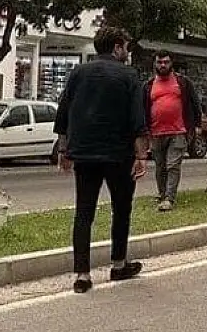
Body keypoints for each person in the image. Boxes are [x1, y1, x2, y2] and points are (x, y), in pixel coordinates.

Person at [54, 26, 150, 294]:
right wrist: (141, 155)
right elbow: (137, 119)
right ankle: (119, 264)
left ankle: (82, 274)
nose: (127, 52)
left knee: (83, 212)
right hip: (119, 154)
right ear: (118, 47)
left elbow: (64, 110)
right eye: (126, 47)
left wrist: (64, 150)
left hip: (84, 152)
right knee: (121, 208)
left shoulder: (78, 73)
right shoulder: (129, 75)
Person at [142, 50, 202, 212]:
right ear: (155, 64)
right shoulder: (148, 85)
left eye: (166, 62)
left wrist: (197, 125)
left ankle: (169, 198)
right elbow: (143, 109)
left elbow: (194, 103)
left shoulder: (183, 82)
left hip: (178, 131)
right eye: (159, 62)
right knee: (160, 166)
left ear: (171, 63)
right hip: (156, 133)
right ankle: (162, 194)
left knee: (172, 165)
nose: (163, 65)